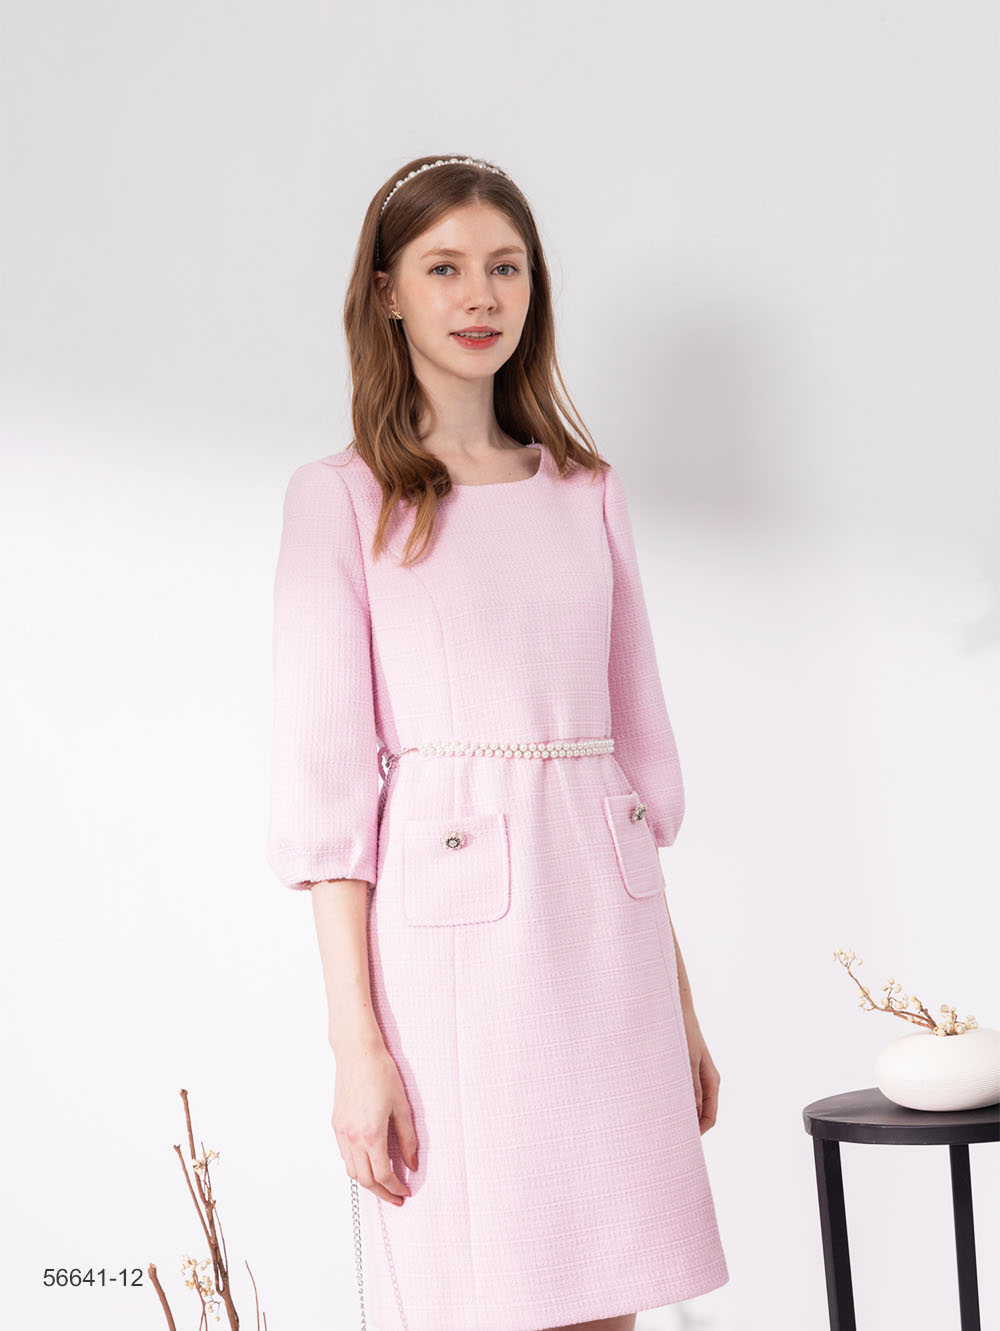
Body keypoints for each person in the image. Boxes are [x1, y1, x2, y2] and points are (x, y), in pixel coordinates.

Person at [266, 154, 729, 1331]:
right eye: (445, 268)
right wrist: (355, 1046)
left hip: (610, 943)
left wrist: (677, 1004)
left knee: (609, 1295)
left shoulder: (586, 491)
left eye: (506, 267)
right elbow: (327, 797)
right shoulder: (343, 499)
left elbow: (630, 771)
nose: (480, 295)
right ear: (386, 292)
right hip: (452, 953)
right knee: (481, 1292)